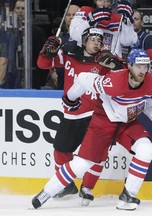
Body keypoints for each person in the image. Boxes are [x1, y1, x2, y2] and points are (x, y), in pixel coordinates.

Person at [31, 48, 152, 211]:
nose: (142, 71)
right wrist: (71, 98)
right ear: (129, 65)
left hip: (127, 124)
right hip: (103, 122)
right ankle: (46, 192)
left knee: (146, 149)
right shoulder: (113, 82)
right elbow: (82, 78)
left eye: (145, 66)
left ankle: (127, 196)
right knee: (82, 164)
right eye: (138, 66)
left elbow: (150, 105)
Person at [37, 26, 122, 206]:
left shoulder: (104, 60)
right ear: (84, 41)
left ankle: (87, 188)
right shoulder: (70, 54)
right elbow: (42, 64)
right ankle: (66, 185)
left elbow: (123, 74)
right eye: (93, 40)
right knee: (60, 150)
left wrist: (116, 63)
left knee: (98, 153)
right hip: (72, 113)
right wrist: (47, 50)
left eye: (100, 41)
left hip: (96, 114)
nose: (97, 43)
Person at [69, 0, 137, 58]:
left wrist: (128, 24)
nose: (104, 4)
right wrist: (89, 21)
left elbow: (127, 42)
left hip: (110, 65)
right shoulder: (85, 11)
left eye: (107, 1)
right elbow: (74, 35)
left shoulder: (118, 18)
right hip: (86, 62)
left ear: (111, 2)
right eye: (101, 0)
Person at [49, 4, 80, 90]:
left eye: (74, 15)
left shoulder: (86, 38)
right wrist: (52, 72)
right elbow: (50, 58)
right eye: (68, 15)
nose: (71, 17)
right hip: (61, 85)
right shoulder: (59, 38)